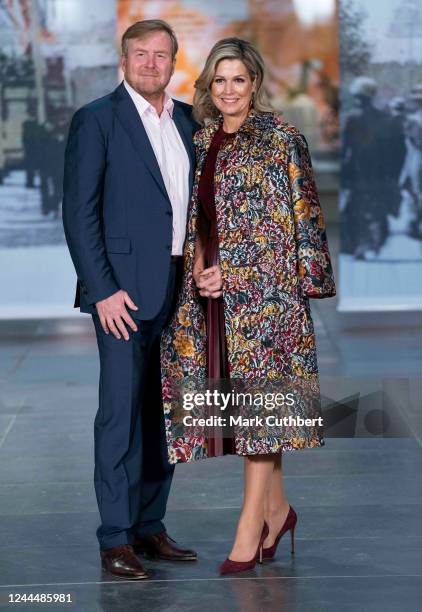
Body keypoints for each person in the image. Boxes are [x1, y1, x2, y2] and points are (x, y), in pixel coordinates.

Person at [160, 38, 336, 575]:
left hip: (268, 300)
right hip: (214, 296)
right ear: (209, 87)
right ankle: (278, 512)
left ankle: (249, 527)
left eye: (238, 79)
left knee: (263, 411)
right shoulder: (205, 136)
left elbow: (302, 218)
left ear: (254, 83)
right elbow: (200, 220)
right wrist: (197, 268)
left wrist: (303, 281)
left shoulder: (282, 138)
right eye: (220, 80)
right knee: (249, 413)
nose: (229, 89)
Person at [62, 19, 198, 580]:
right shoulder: (97, 119)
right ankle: (114, 538)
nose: (150, 63)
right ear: (124, 59)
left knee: (166, 416)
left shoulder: (189, 119)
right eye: (140, 54)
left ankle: (149, 525)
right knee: (120, 417)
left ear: (173, 62)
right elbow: (79, 212)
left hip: (180, 291)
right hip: (120, 295)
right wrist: (102, 291)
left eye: (160, 55)